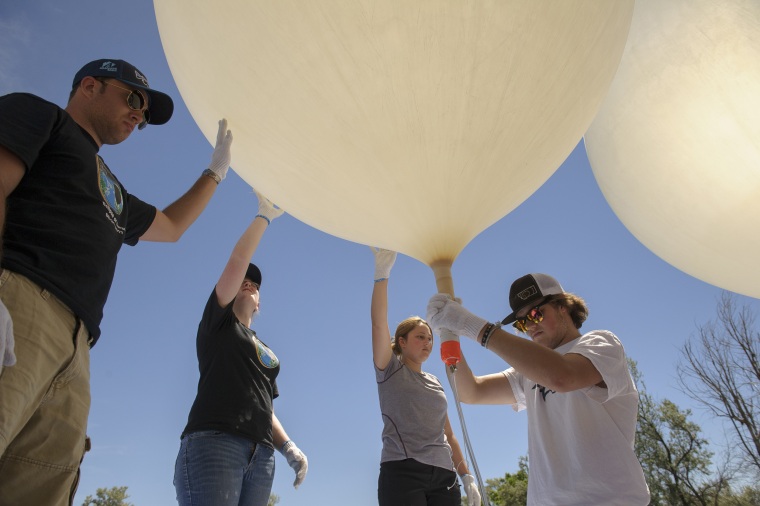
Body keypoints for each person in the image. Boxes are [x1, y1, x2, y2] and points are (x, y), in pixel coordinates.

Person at [0, 58, 233, 506]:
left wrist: (215, 173)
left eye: (144, 114)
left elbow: (170, 227)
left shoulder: (114, 189)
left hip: (78, 349)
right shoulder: (40, 117)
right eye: (132, 99)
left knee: (39, 486)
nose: (138, 115)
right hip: (19, 301)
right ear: (89, 86)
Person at [426, 273, 651, 506]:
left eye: (536, 313)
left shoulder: (601, 343)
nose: (530, 326)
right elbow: (471, 392)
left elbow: (562, 376)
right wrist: (449, 333)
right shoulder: (528, 372)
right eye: (522, 322)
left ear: (563, 306)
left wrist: (472, 326)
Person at [174, 190, 307, 506]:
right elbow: (237, 260)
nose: (250, 284)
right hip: (215, 442)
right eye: (244, 281)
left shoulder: (266, 350)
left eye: (256, 285)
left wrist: (288, 447)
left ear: (260, 302)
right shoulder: (218, 324)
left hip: (261, 455)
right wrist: (264, 216)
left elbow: (265, 405)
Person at [371, 248, 481, 506]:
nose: (427, 342)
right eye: (420, 336)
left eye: (430, 338)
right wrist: (381, 275)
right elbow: (378, 323)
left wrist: (466, 476)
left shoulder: (435, 382)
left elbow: (449, 435)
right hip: (403, 472)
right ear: (402, 341)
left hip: (445, 476)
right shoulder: (390, 369)